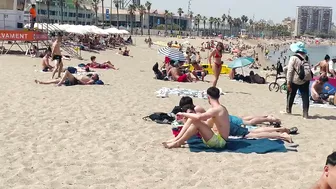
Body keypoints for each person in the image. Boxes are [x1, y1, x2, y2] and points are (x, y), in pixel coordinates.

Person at [163, 87, 230, 149]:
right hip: (215, 138)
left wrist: (183, 113)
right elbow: (208, 124)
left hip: (220, 143)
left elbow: (199, 117)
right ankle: (177, 139)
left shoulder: (216, 109)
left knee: (196, 121)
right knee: (193, 119)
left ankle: (178, 142)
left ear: (208, 97)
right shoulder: (219, 108)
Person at [285, 42, 312, 119]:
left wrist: (288, 82)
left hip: (295, 80)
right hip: (305, 80)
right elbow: (309, 68)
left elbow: (290, 71)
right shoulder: (306, 57)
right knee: (305, 96)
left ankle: (289, 110)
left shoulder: (293, 58)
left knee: (291, 95)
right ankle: (305, 114)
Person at [35, 70, 100, 86]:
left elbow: (87, 84)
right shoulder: (89, 76)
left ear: (96, 78)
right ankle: (42, 82)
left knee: (67, 72)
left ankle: (59, 84)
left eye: (95, 75)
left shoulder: (92, 80)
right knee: (55, 80)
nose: (93, 75)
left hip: (76, 81)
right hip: (74, 79)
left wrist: (79, 80)